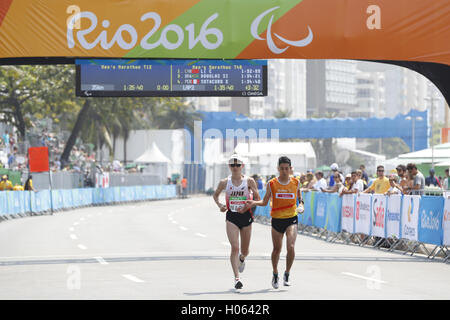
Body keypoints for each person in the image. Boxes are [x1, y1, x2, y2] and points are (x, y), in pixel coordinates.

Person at [246, 156, 303, 289]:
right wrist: (253, 202)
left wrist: (302, 206)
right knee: (277, 249)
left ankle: (287, 273)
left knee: (291, 246)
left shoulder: (296, 182)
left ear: (290, 169)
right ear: (278, 169)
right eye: (282, 168)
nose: (284, 171)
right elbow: (265, 202)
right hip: (277, 219)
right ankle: (275, 273)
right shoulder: (272, 183)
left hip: (291, 218)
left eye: (286, 169)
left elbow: (300, 199)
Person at [212, 154, 260, 291]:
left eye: (238, 165)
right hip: (231, 216)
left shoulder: (249, 181)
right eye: (232, 165)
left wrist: (249, 205)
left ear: (242, 166)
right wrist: (220, 205)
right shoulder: (224, 182)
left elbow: (258, 198)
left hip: (246, 216)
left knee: (244, 250)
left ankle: (242, 258)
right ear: (229, 166)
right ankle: (237, 278)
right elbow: (215, 195)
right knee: (234, 247)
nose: (235, 167)